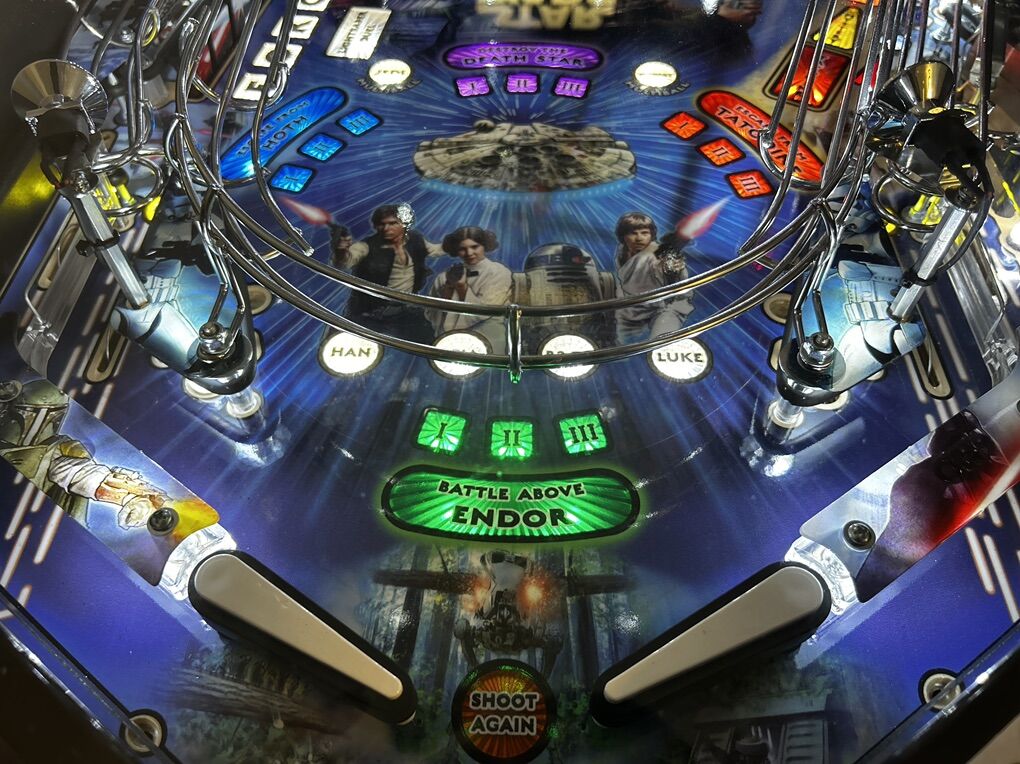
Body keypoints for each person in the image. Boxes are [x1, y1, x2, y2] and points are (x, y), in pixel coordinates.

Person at [332, 204, 444, 344]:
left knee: (432, 343)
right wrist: (341, 251)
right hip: (369, 314)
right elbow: (345, 262)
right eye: (381, 224)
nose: (386, 228)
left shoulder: (415, 239)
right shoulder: (366, 246)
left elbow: (435, 250)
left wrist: (457, 243)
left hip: (404, 311)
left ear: (403, 224)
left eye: (392, 223)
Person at [613, 212, 695, 344]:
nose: (639, 238)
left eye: (644, 233)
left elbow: (673, 272)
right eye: (633, 233)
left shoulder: (658, 255)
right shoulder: (622, 251)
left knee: (660, 344)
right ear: (623, 236)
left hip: (665, 308)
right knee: (621, 345)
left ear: (651, 235)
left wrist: (672, 267)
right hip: (631, 309)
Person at [426, 227, 512, 351]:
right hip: (449, 342)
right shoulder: (443, 277)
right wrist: (449, 288)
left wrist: (462, 287)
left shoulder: (498, 272)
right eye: (462, 249)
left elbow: (485, 311)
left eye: (475, 247)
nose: (469, 253)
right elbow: (431, 314)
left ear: (484, 246)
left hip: (488, 338)